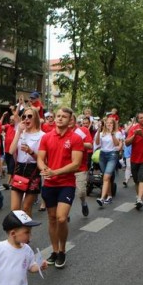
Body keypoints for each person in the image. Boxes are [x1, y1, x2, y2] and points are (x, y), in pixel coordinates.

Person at [37, 107, 83, 269]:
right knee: (52, 218)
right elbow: (40, 158)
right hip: (49, 184)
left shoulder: (76, 138)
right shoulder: (46, 137)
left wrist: (54, 172)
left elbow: (76, 164)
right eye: (58, 116)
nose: (60, 118)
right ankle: (55, 251)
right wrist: (44, 169)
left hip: (66, 183)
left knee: (61, 218)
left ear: (70, 120)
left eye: (64, 116)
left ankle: (62, 250)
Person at [8, 107, 45, 216]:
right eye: (24, 116)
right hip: (19, 169)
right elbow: (11, 151)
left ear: (36, 118)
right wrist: (19, 132)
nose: (26, 119)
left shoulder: (42, 135)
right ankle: (18, 227)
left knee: (26, 208)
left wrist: (30, 152)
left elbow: (42, 159)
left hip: (33, 170)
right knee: (14, 209)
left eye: (29, 116)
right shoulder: (20, 132)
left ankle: (26, 227)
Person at [94, 117, 123, 206]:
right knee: (106, 177)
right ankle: (109, 196)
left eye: (111, 123)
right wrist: (98, 131)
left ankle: (102, 198)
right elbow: (97, 143)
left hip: (112, 155)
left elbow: (116, 144)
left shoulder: (118, 133)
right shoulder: (101, 133)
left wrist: (112, 134)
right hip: (102, 155)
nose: (109, 124)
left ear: (114, 124)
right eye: (107, 123)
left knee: (106, 177)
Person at [71, 115, 93, 216]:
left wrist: (77, 142)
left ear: (74, 121)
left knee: (81, 192)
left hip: (80, 167)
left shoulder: (82, 130)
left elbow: (90, 145)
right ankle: (66, 213)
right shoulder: (62, 132)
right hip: (65, 168)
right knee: (66, 193)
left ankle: (83, 203)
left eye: (71, 119)